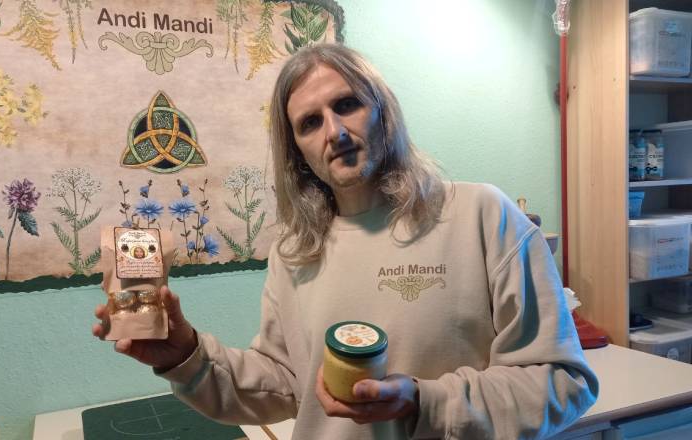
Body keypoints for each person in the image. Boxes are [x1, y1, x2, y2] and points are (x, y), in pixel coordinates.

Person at [93, 43, 598, 439]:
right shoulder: (295, 252)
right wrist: (184, 355)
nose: (334, 132)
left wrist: (422, 402)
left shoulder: (483, 216)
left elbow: (562, 383)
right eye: (309, 123)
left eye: (347, 104)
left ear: (383, 111)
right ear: (298, 151)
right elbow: (283, 385)